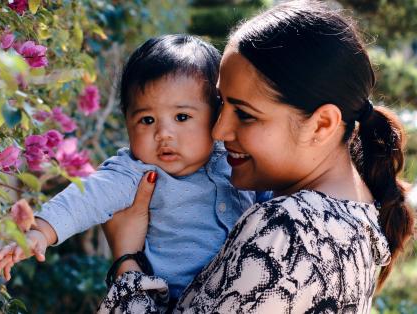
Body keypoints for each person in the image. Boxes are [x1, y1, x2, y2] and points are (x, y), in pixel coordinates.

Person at [98, 1, 415, 313]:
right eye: (221, 105)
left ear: (322, 124)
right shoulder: (359, 217)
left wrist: (127, 259)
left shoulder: (285, 231)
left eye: (245, 115)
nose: (219, 131)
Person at [0, 34, 271, 299]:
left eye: (182, 117)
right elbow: (86, 197)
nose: (164, 133)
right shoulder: (134, 172)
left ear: (216, 116)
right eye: (147, 120)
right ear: (128, 122)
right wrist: (41, 231)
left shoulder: (232, 158)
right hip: (170, 299)